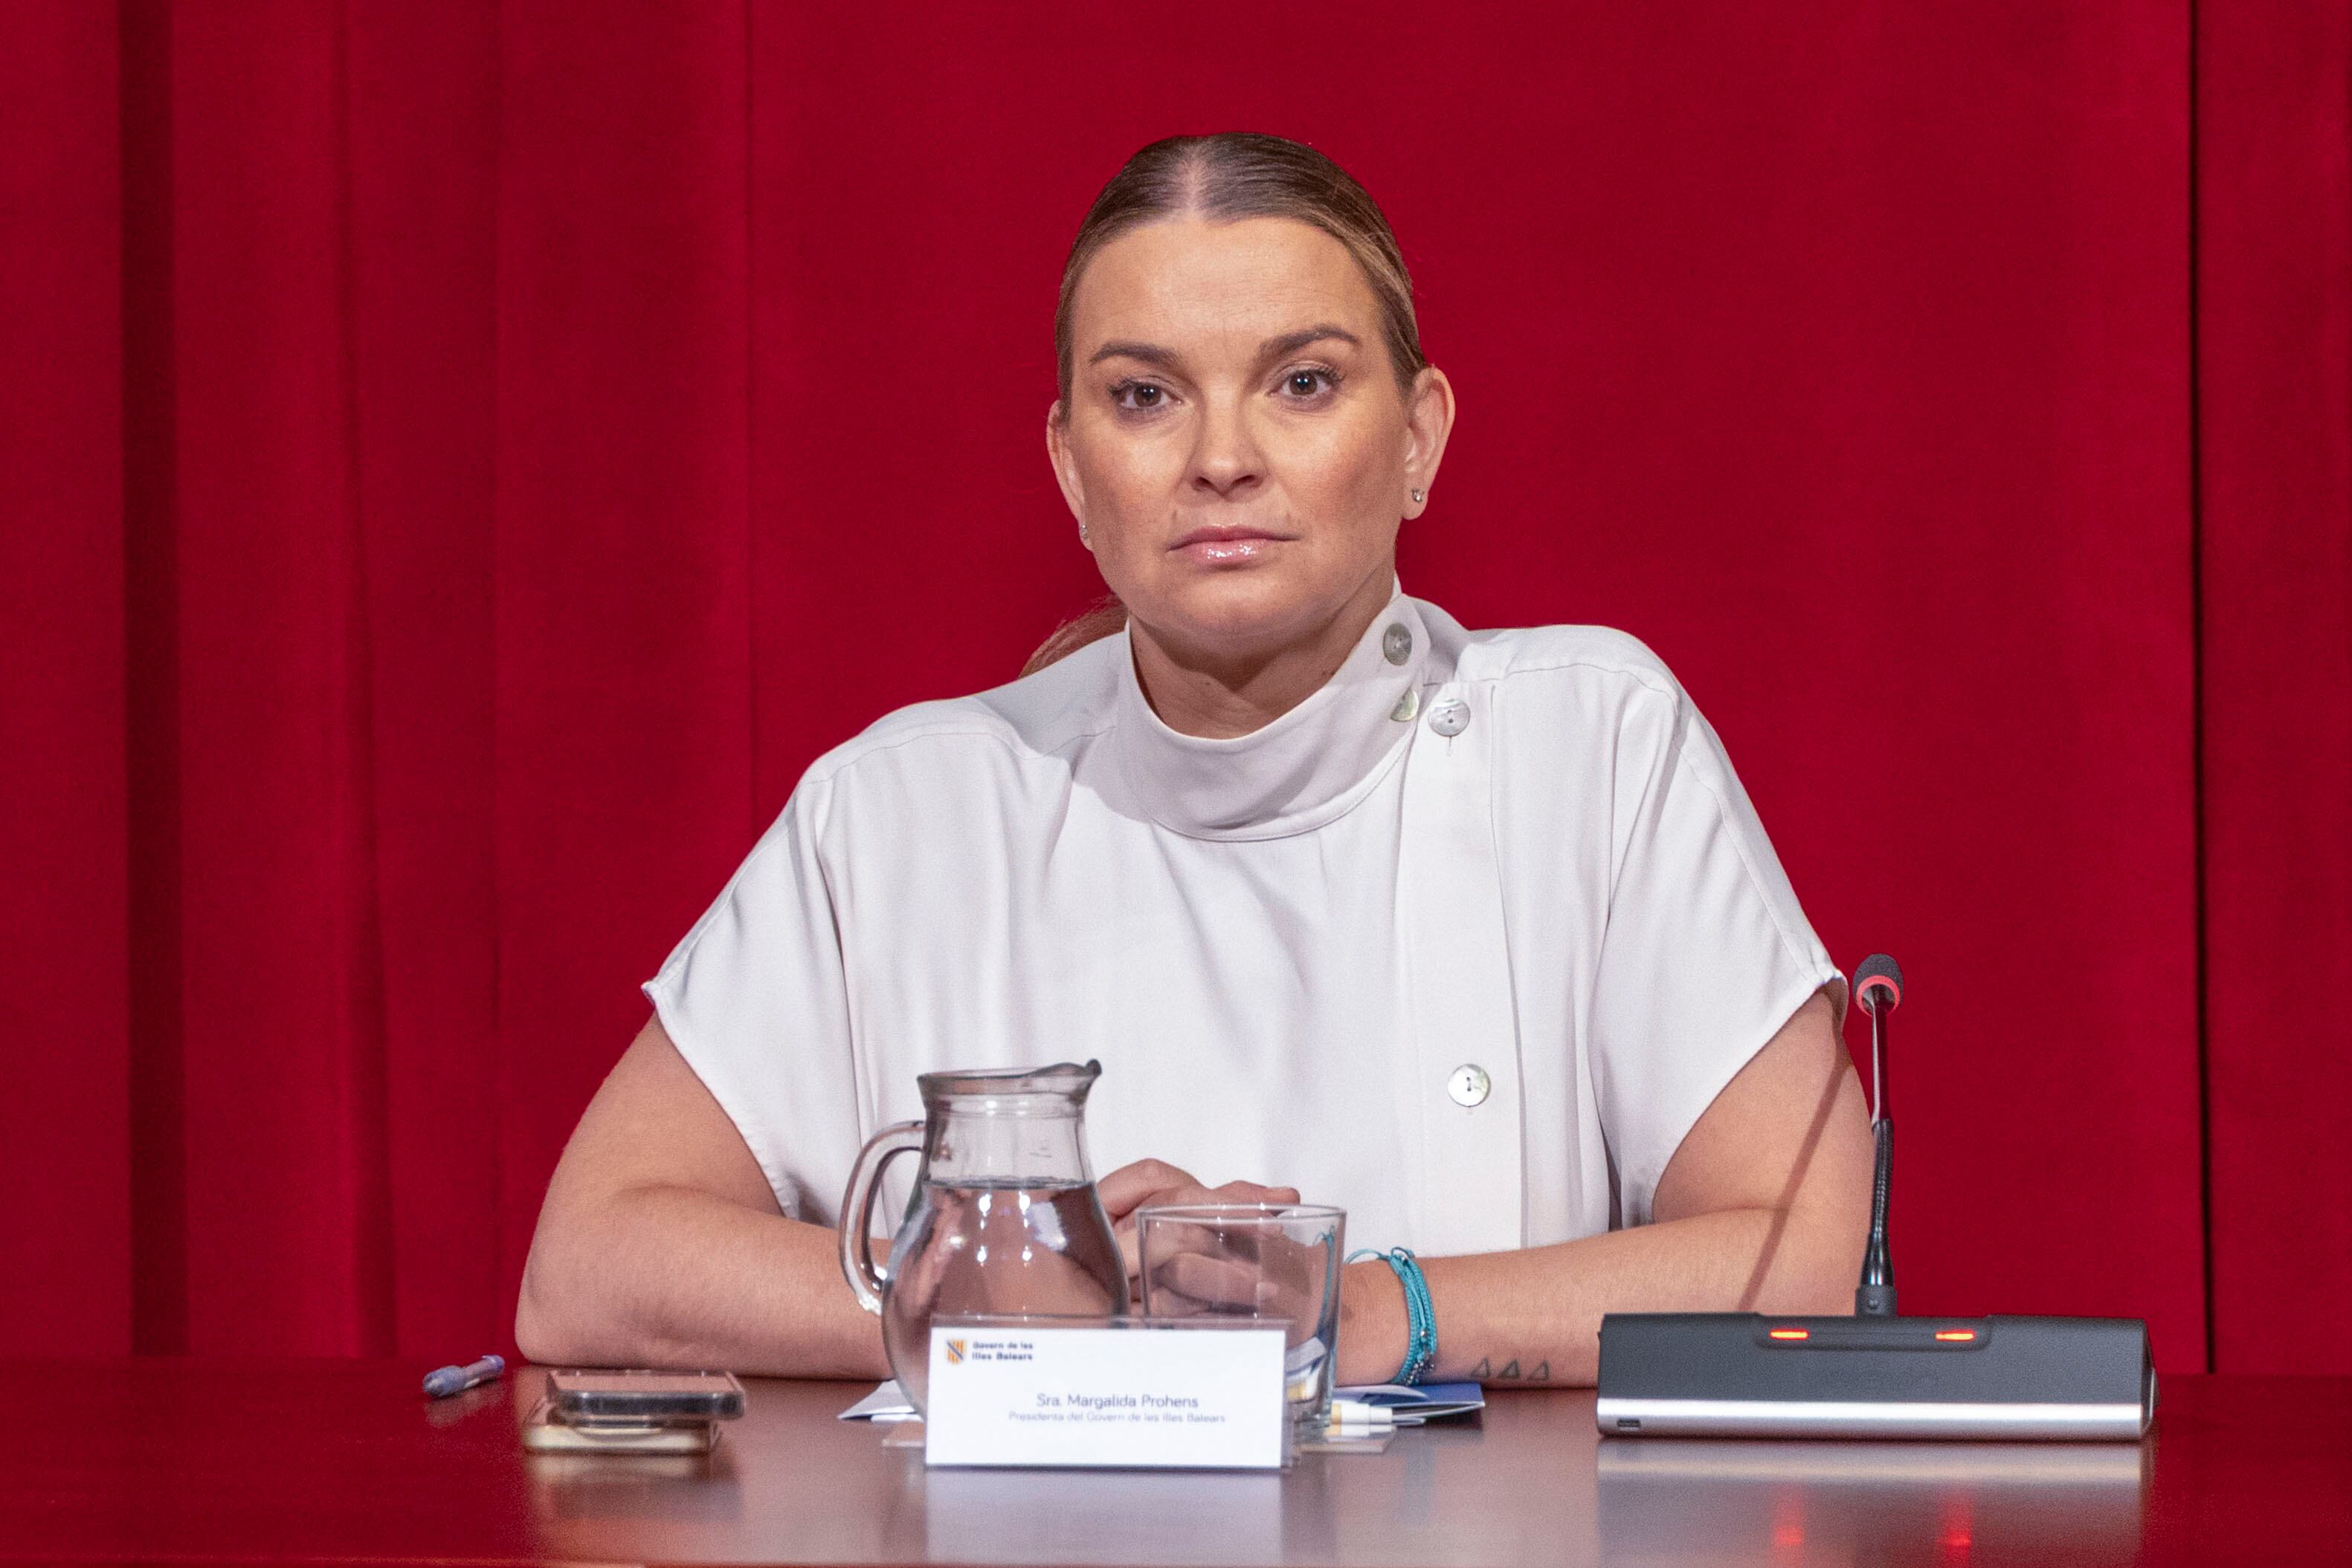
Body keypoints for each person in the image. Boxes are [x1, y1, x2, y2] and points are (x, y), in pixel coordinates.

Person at [516, 132, 1870, 1389]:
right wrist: (1001, 1292)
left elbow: (1804, 1259)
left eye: (1302, 382)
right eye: (1147, 395)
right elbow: (590, 1266)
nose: (1222, 458)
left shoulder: (1595, 741)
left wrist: (1376, 1310)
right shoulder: (902, 807)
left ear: (1419, 439)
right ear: (1069, 465)